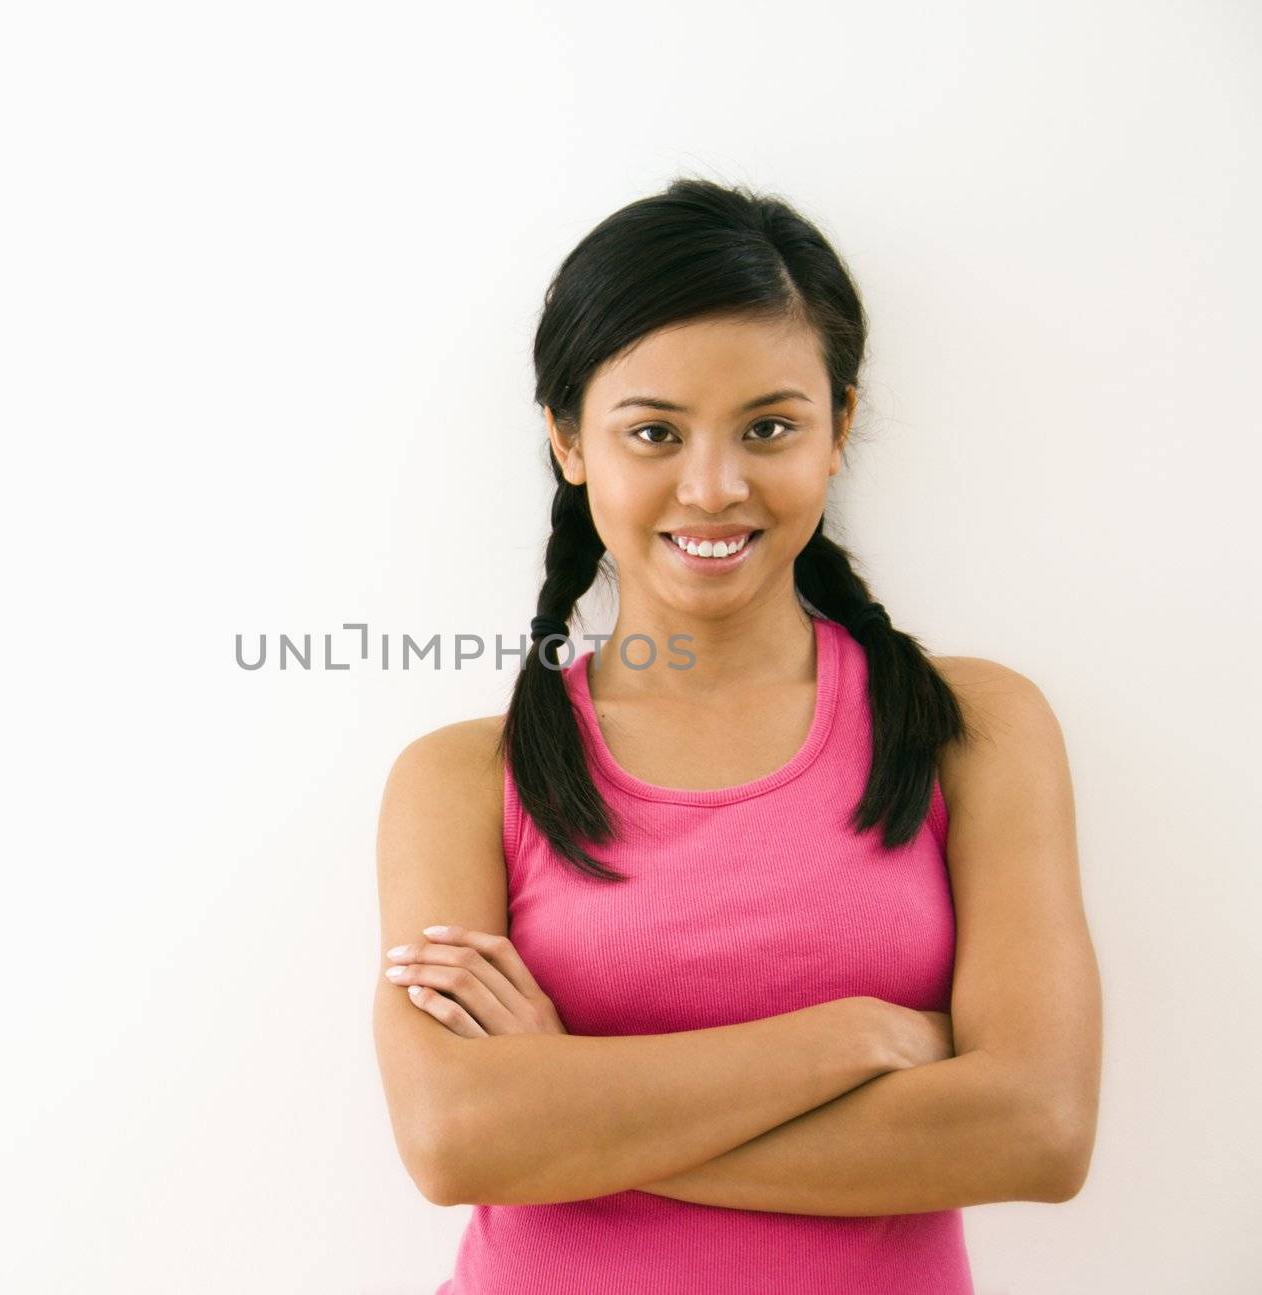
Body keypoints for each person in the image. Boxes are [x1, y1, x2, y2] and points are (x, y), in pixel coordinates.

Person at [372, 178, 1102, 1294]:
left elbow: (1037, 1128)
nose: (713, 487)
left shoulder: (971, 728)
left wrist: (574, 1104)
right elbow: (456, 1138)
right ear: (569, 440)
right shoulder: (463, 778)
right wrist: (852, 1038)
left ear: (839, 427)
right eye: (652, 432)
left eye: (768, 426)